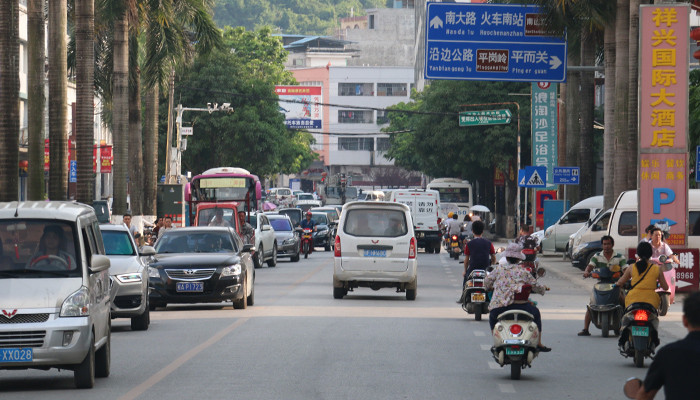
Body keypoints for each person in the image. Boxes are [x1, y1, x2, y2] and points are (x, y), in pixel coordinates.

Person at [633, 290, 700, 399]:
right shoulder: (656, 272)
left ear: (685, 321)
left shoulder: (669, 354)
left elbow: (645, 394)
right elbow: (664, 287)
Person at [484, 242, 551, 352]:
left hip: (500, 307)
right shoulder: (523, 271)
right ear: (519, 259)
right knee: (536, 313)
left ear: (507, 257)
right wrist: (543, 289)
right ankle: (538, 343)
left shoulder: (498, 269)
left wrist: (489, 287)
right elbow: (536, 286)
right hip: (522, 307)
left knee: (492, 317)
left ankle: (497, 343)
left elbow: (486, 282)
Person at [616, 241, 669, 349]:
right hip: (651, 301)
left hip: (632, 300)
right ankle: (653, 339)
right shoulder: (656, 268)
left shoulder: (631, 267)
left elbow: (620, 282)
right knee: (653, 319)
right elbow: (666, 287)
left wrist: (616, 284)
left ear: (638, 254)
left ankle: (624, 337)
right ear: (650, 254)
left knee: (626, 318)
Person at [578, 235, 627, 336]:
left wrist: (626, 275)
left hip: (616, 284)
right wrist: (587, 272)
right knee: (592, 304)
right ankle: (585, 329)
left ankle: (627, 325)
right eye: (604, 244)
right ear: (602, 245)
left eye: (608, 244)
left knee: (624, 301)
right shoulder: (597, 256)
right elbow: (590, 266)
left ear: (612, 245)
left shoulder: (619, 257)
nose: (606, 246)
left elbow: (625, 270)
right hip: (601, 284)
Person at [462, 220, 496, 289]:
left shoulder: (469, 244)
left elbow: (466, 261)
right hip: (485, 269)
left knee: (465, 282)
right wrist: (492, 265)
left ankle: (462, 298)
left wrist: (465, 271)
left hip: (472, 269)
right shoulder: (489, 243)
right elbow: (493, 258)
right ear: (482, 231)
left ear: (472, 231)